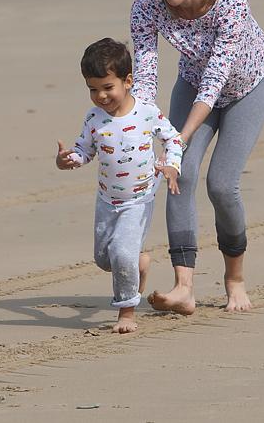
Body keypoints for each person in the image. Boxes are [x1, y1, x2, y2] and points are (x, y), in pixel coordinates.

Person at [130, 0, 264, 314]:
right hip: (192, 85)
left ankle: (235, 280)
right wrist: (143, 130)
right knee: (180, 175)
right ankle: (184, 287)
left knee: (222, 186)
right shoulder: (147, 6)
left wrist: (178, 136)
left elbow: (217, 79)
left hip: (247, 87)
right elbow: (144, 77)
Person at [56, 38, 184, 334]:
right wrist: (69, 160)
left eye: (107, 87)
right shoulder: (93, 118)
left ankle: (127, 311)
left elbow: (173, 139)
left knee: (121, 255)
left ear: (127, 81)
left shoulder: (147, 113)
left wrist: (171, 166)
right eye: (92, 89)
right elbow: (85, 151)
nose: (100, 96)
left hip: (138, 199)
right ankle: (140, 262)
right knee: (105, 259)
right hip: (106, 199)